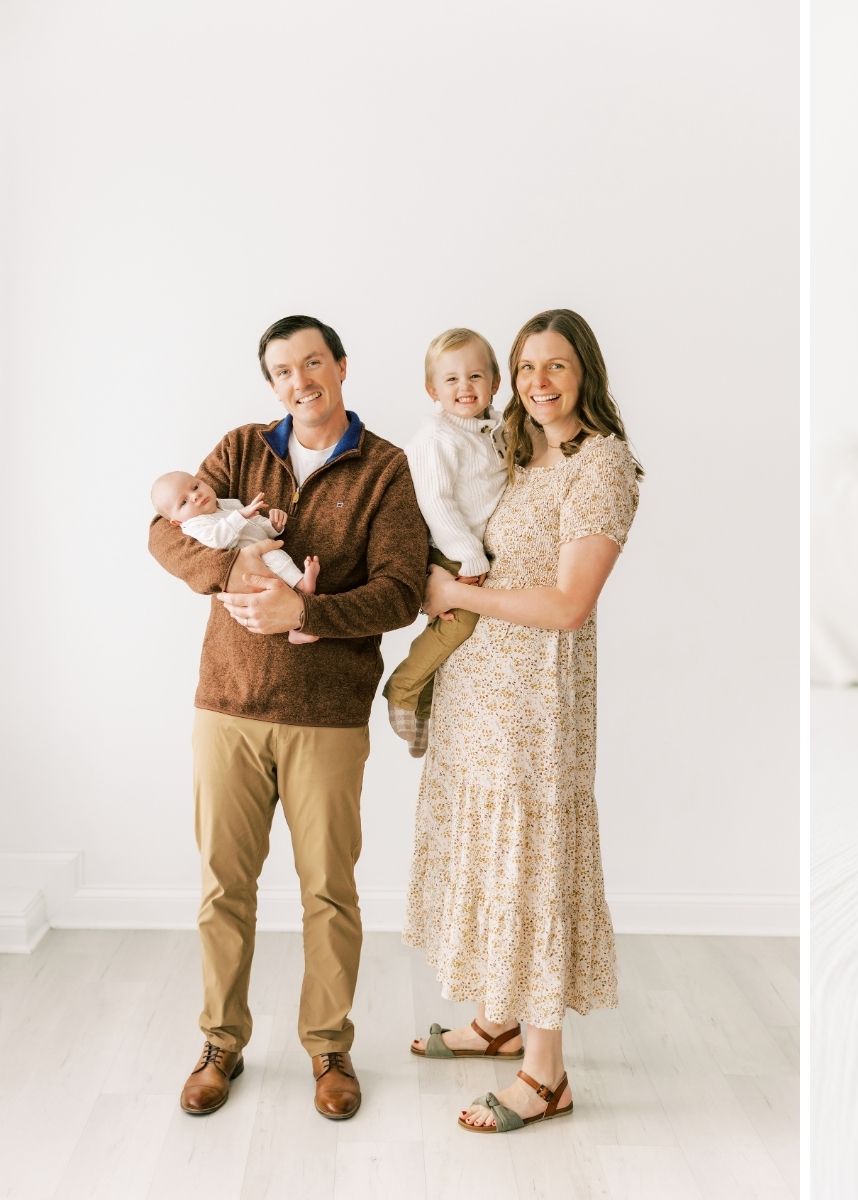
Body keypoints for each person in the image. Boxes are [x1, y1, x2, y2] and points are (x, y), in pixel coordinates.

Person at [148, 315, 429, 1119]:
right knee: (223, 886)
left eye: (312, 363)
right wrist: (233, 567)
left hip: (327, 714)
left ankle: (328, 1048)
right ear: (271, 383)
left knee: (329, 891)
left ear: (340, 366)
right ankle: (220, 1043)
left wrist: (306, 613)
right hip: (228, 706)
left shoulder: (385, 468)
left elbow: (401, 590)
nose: (299, 381)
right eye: (282, 370)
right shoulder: (241, 448)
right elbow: (164, 535)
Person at [402, 308, 642, 1134]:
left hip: (538, 703)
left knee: (530, 863)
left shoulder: (600, 465)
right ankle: (498, 1020)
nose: (539, 382)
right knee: (486, 854)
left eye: (557, 366)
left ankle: (546, 1074)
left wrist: (457, 595)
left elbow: (571, 603)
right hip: (479, 692)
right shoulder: (512, 448)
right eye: (527, 366)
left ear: (586, 374)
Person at [382, 327, 506, 756]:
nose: (464, 387)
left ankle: (424, 711)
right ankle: (402, 689)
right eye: (451, 379)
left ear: (495, 382)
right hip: (452, 549)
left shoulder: (491, 430)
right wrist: (469, 556)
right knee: (460, 623)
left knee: (462, 638)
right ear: (432, 389)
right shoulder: (436, 438)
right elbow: (435, 501)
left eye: (475, 376)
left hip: (473, 548)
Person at [151, 472, 321, 643]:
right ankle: (303, 588)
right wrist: (241, 515)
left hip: (262, 549)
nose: (195, 496)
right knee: (272, 583)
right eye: (183, 502)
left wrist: (273, 526)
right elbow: (218, 539)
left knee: (278, 562)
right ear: (177, 522)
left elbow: (255, 524)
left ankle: (298, 618)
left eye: (195, 486)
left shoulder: (226, 504)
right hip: (249, 568)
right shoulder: (195, 524)